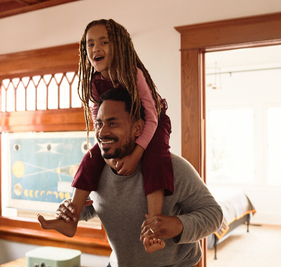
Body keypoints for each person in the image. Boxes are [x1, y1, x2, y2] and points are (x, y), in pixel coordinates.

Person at [38, 88, 223, 266]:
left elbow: (214, 215)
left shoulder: (173, 168)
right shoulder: (92, 171)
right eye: (100, 124)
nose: (102, 133)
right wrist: (70, 210)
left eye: (112, 123)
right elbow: (96, 207)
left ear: (137, 128)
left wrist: (177, 225)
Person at [74, 18, 173, 253]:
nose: (95, 49)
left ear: (118, 45)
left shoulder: (132, 73)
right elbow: (98, 121)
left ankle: (153, 228)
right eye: (89, 44)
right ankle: (71, 215)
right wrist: (105, 154)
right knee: (90, 158)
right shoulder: (93, 83)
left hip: (153, 122)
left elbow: (152, 116)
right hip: (118, 129)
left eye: (103, 42)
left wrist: (137, 153)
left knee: (156, 158)